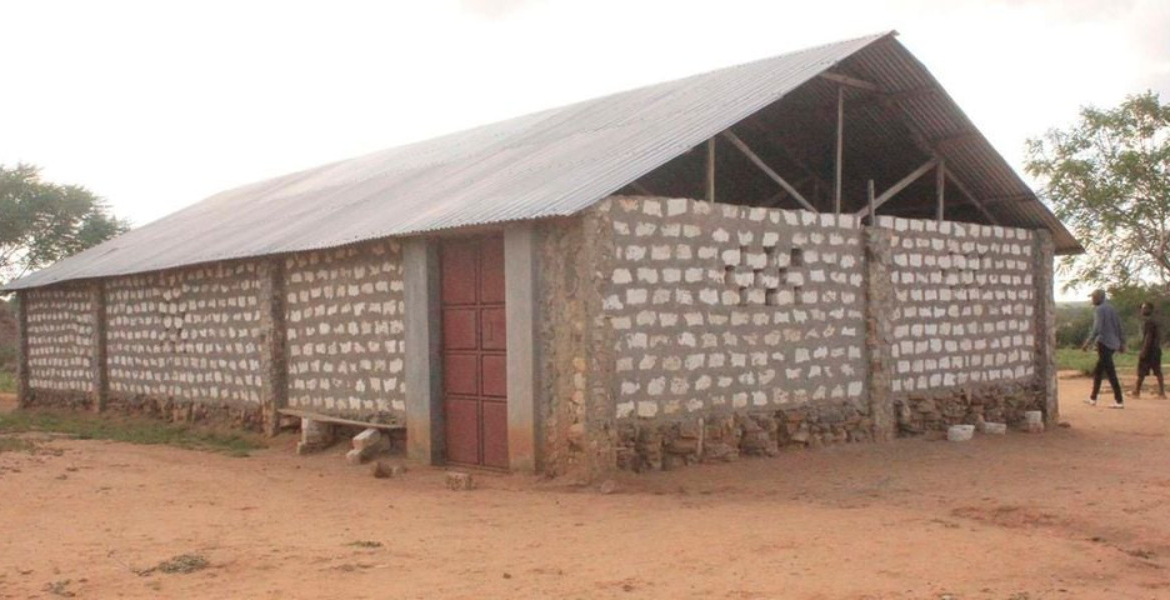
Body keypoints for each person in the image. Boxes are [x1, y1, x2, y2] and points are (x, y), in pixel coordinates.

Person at [1081, 289, 1126, 408]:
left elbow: (1097, 328)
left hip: (1104, 343)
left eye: (1094, 297)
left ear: (1100, 298)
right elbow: (1119, 326)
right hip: (1113, 343)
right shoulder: (1112, 308)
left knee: (1110, 372)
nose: (1092, 300)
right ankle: (1093, 398)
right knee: (1099, 370)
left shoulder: (1099, 310)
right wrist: (1122, 343)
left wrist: (1087, 342)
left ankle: (1119, 400)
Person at [1134, 301, 1166, 399]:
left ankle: (1136, 392)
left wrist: (1143, 351)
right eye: (1142, 308)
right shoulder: (1154, 321)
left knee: (1141, 372)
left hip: (1149, 351)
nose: (1142, 310)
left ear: (1150, 310)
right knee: (1157, 371)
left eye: (1145, 308)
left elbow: (1149, 337)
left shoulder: (1149, 322)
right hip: (1156, 350)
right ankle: (1162, 393)